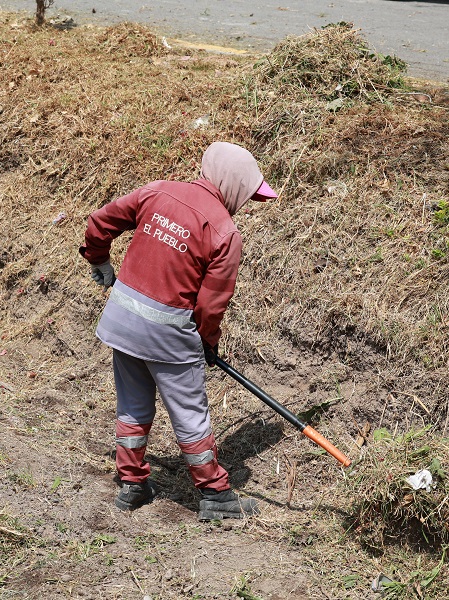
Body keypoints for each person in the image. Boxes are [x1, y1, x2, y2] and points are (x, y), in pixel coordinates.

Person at [80, 142, 278, 520]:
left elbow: (100, 221)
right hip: (167, 337)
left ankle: (132, 484)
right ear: (232, 183)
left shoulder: (158, 191)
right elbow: (210, 305)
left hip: (122, 322)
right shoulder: (224, 232)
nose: (246, 204)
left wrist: (99, 258)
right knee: (190, 414)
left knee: (133, 403)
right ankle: (215, 495)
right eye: (248, 195)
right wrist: (206, 342)